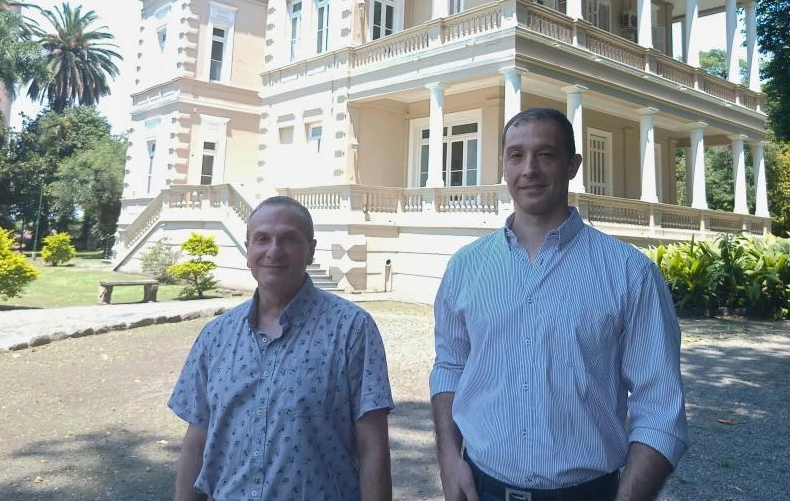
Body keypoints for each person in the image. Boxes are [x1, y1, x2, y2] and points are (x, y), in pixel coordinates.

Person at [430, 107, 687, 501]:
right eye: (516, 155)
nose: (529, 168)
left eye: (545, 154)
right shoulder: (466, 267)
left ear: (572, 165)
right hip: (482, 490)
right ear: (503, 167)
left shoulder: (630, 274)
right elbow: (451, 368)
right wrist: (449, 458)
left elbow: (659, 408)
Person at [169, 195, 394, 501]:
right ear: (248, 249)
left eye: (289, 239)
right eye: (262, 239)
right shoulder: (215, 336)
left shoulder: (352, 329)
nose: (274, 251)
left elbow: (373, 448)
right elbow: (196, 442)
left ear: (310, 250)